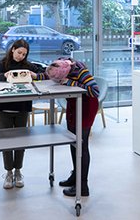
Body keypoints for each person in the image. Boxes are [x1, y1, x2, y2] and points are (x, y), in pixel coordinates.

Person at [0, 39, 44, 189]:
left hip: (22, 108)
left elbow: (43, 73)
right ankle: (8, 172)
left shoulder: (28, 66)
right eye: (19, 52)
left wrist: (34, 75)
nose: (21, 56)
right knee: (6, 142)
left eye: (24, 54)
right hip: (4, 109)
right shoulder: (1, 64)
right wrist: (4, 75)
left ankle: (18, 171)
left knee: (21, 141)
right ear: (12, 49)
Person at [36, 57, 100, 197]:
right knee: (73, 142)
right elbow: (49, 74)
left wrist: (70, 82)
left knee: (81, 145)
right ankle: (75, 177)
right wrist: (35, 76)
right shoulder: (60, 64)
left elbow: (94, 91)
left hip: (86, 107)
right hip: (73, 104)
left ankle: (83, 186)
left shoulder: (80, 72)